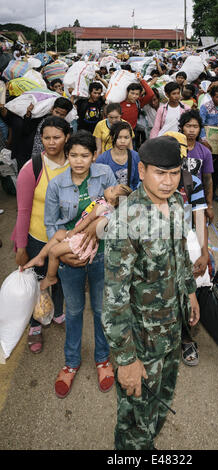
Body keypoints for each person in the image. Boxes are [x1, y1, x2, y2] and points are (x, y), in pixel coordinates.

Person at [102, 136, 200, 450]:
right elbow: (113, 301)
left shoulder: (173, 202)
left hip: (170, 332)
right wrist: (127, 361)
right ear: (142, 171)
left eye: (174, 174)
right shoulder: (126, 222)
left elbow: (180, 252)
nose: (169, 181)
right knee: (134, 419)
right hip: (141, 342)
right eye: (161, 173)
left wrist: (190, 292)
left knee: (160, 402)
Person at [44, 130, 117, 398]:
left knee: (100, 309)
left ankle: (102, 359)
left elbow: (116, 210)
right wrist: (61, 253)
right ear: (67, 155)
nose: (78, 160)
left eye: (84, 155)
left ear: (93, 156)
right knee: (73, 311)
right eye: (73, 155)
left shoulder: (105, 176)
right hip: (69, 257)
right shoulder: (57, 184)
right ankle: (71, 362)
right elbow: (51, 223)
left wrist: (100, 223)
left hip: (101, 255)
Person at [11, 116, 70, 354]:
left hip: (67, 239)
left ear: (67, 137)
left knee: (62, 280)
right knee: (38, 283)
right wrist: (22, 246)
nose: (51, 142)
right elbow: (23, 210)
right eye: (46, 137)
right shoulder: (32, 167)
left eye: (57, 137)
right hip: (38, 239)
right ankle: (35, 325)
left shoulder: (75, 163)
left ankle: (56, 312)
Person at [23, 184, 132, 290]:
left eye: (112, 190)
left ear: (113, 201)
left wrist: (74, 231)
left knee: (53, 252)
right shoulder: (107, 207)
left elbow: (88, 220)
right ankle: (40, 257)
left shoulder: (102, 207)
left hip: (83, 240)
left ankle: (50, 278)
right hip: (82, 236)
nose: (110, 187)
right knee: (59, 233)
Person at [178, 110, 214, 223]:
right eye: (188, 126)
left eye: (195, 126)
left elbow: (208, 180)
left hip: (196, 198)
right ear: (182, 127)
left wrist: (209, 205)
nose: (192, 130)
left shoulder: (205, 152)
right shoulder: (173, 148)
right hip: (176, 198)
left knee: (194, 231)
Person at [96, 121, 140, 191]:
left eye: (126, 137)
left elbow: (136, 181)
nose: (123, 141)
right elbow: (99, 185)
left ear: (131, 138)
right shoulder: (102, 159)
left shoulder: (135, 157)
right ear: (112, 137)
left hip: (130, 197)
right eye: (119, 137)